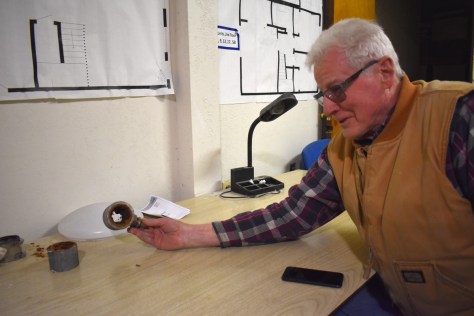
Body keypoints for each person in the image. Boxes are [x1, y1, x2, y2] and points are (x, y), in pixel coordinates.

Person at [129, 18, 474, 316]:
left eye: (336, 90)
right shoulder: (344, 148)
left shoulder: (459, 118)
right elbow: (292, 214)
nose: (327, 109)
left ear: (385, 72)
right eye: (322, 94)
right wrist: (190, 234)